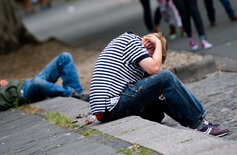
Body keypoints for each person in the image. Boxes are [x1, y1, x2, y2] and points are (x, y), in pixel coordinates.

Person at [89, 30, 229, 137]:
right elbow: (154, 69)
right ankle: (199, 124)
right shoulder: (132, 42)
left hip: (105, 109)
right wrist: (157, 43)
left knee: (156, 113)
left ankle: (199, 121)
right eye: (153, 55)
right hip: (112, 104)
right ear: (150, 45)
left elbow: (148, 83)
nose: (151, 58)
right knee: (165, 77)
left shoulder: (126, 45)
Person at [0, 52, 89, 127]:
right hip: (26, 93)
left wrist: (3, 84)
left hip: (27, 82)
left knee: (64, 57)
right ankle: (73, 95)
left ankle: (78, 93)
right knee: (39, 82)